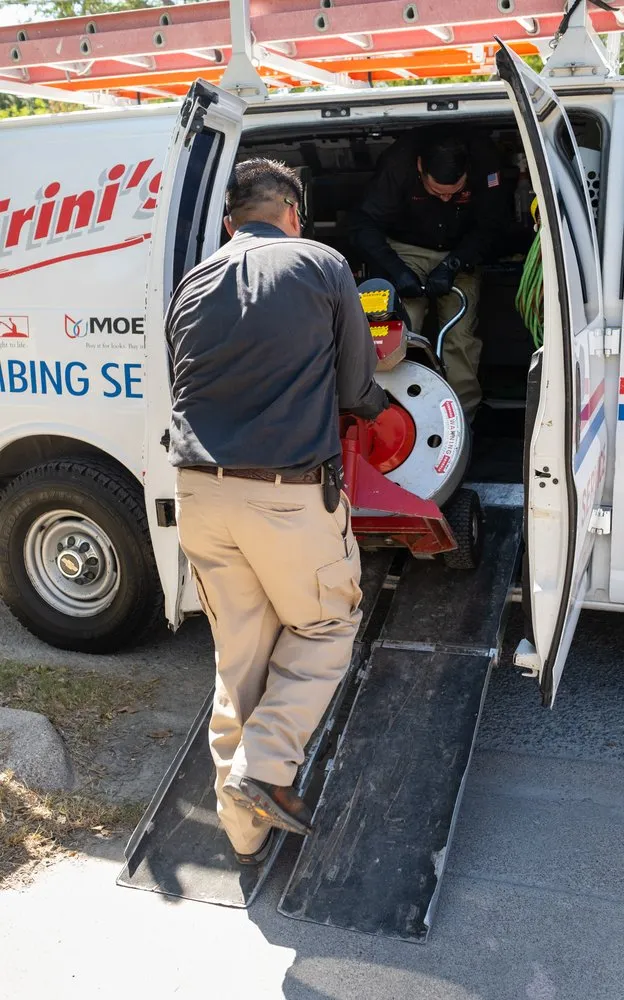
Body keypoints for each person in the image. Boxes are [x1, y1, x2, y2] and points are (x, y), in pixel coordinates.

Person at [165, 158, 388, 865]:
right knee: (325, 625)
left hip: (199, 492)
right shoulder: (322, 264)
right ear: (294, 213)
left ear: (229, 220)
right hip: (286, 497)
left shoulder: (191, 282)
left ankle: (244, 836)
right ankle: (263, 766)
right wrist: (380, 397)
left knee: (240, 655)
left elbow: (186, 383)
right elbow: (355, 388)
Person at [349, 128, 506, 418]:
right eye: (437, 192)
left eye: (454, 193)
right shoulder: (398, 164)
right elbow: (363, 224)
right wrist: (397, 271)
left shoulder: (484, 160)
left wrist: (454, 264)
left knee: (461, 337)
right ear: (420, 168)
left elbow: (492, 225)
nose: (446, 199)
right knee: (400, 332)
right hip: (405, 250)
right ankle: (393, 414)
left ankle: (462, 417)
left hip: (461, 250)